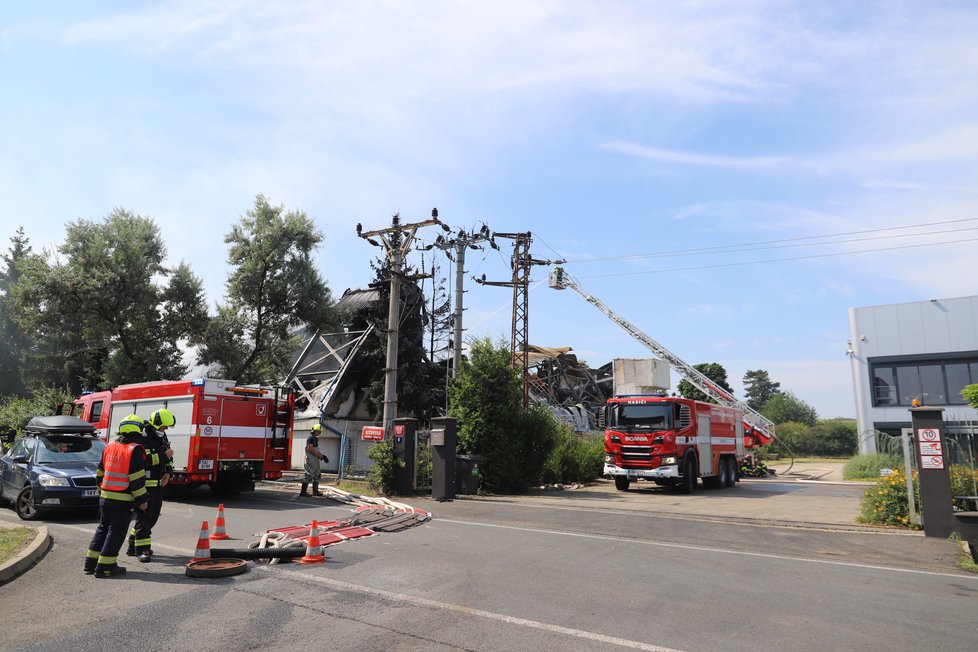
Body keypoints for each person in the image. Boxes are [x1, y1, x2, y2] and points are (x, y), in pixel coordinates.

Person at [84, 415, 148, 578]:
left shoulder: (110, 445)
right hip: (122, 499)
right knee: (116, 532)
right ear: (137, 429)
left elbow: (100, 472)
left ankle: (91, 563)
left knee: (102, 529)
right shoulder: (135, 449)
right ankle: (105, 567)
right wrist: (142, 500)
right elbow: (136, 478)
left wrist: (102, 492)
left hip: (105, 497)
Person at [126, 408, 175, 563]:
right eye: (164, 426)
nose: (165, 429)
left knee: (152, 517)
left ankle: (132, 544)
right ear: (156, 424)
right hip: (144, 485)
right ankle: (142, 550)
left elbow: (168, 455)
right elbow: (143, 460)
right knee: (145, 517)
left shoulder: (161, 436)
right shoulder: (143, 438)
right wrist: (162, 456)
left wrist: (168, 471)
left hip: (157, 484)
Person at [298, 423, 327, 497]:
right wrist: (319, 455)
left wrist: (322, 456)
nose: (319, 432)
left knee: (317, 475)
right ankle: (303, 492)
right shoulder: (310, 438)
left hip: (315, 460)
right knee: (308, 475)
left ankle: (315, 491)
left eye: (320, 431)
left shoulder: (315, 439)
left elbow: (315, 449)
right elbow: (310, 449)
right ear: (314, 431)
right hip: (310, 459)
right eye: (318, 431)